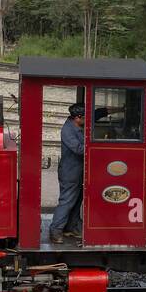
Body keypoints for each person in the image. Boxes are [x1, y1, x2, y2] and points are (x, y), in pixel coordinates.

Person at [50, 103, 86, 244]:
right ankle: (56, 230)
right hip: (70, 172)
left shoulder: (76, 125)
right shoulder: (68, 130)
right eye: (85, 118)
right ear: (78, 118)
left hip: (77, 171)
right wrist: (96, 146)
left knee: (77, 200)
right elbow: (78, 148)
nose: (87, 121)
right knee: (67, 201)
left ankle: (72, 226)